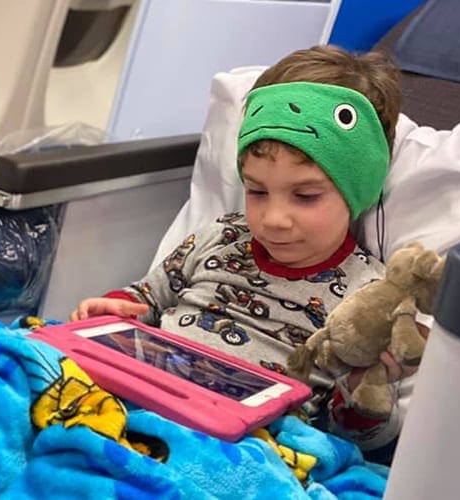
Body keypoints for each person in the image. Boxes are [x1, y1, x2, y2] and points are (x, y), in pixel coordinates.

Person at [71, 45, 410, 463]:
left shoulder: (371, 298)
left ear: (357, 190)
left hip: (243, 446)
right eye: (257, 191)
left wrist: (364, 395)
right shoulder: (220, 236)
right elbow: (148, 297)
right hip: (141, 395)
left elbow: (358, 438)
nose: (273, 219)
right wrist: (116, 309)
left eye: (304, 196)